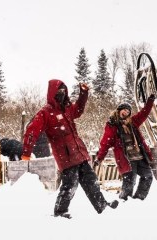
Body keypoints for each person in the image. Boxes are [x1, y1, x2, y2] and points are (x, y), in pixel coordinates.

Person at [21, 79, 118, 219]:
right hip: (65, 156)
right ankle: (60, 212)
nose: (62, 93)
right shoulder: (46, 113)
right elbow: (31, 131)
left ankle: (102, 206)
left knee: (91, 180)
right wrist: (26, 152)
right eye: (59, 91)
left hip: (79, 152)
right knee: (70, 185)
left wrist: (83, 94)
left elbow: (78, 110)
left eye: (64, 91)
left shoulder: (67, 109)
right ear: (52, 93)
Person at [95, 94, 155, 201]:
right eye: (124, 110)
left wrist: (150, 101)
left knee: (148, 177)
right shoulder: (112, 125)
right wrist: (100, 157)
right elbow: (105, 142)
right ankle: (124, 201)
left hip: (140, 157)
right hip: (126, 159)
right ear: (119, 111)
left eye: (128, 112)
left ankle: (138, 200)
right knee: (129, 183)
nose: (126, 113)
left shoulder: (133, 122)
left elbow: (144, 113)